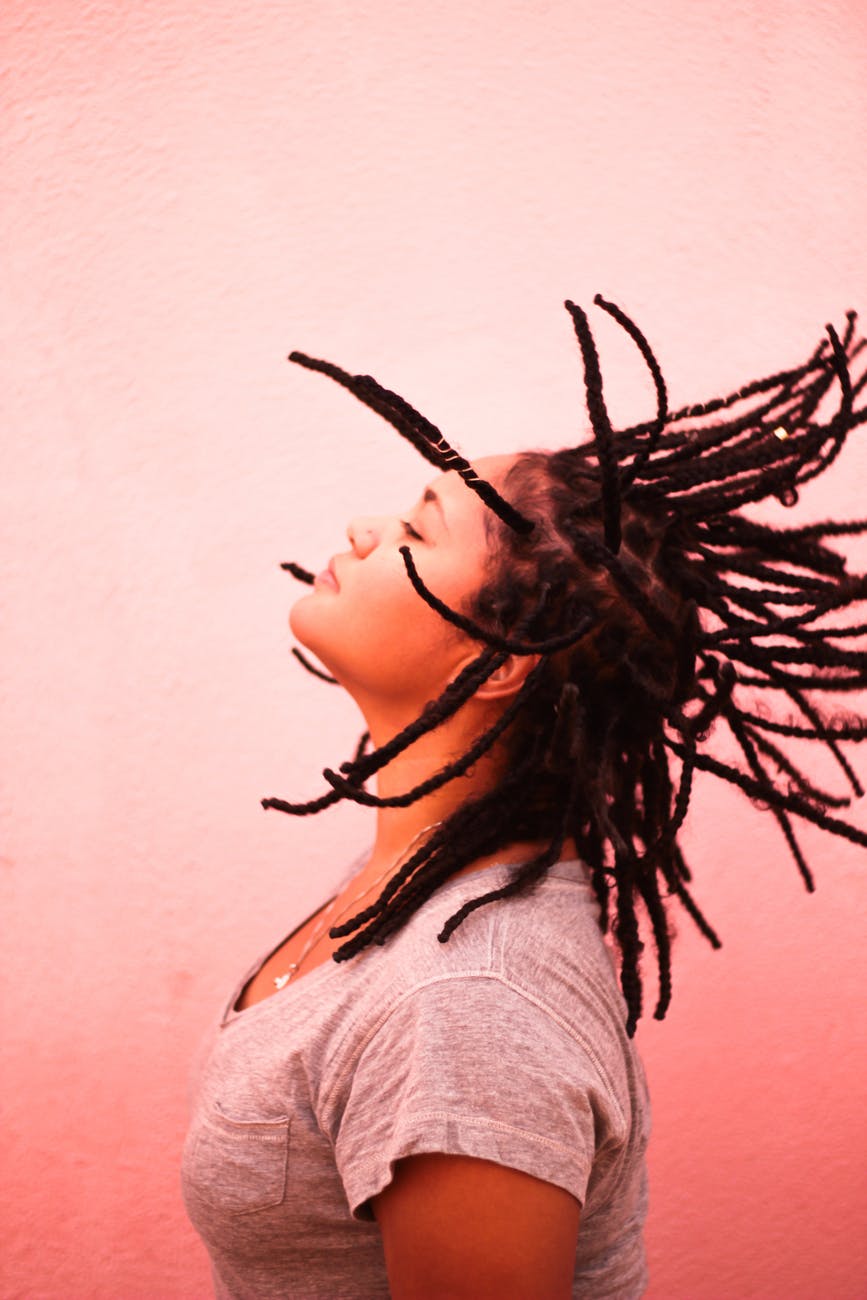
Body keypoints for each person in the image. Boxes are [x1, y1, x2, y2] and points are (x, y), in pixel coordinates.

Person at [181, 297, 867, 1300]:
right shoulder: (417, 898)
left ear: (497, 657)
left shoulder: (466, 1002)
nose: (363, 529)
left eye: (417, 527)